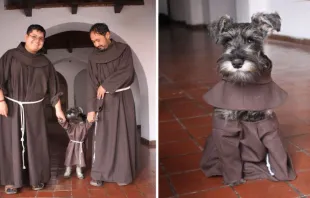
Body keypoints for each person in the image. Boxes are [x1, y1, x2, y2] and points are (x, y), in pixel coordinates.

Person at [0, 24, 66, 194]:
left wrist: (58, 110)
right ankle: (12, 181)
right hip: (12, 108)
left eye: (41, 38)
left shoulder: (45, 63)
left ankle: (36, 178)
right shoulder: (10, 56)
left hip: (36, 110)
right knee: (11, 144)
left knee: (36, 144)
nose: (37, 41)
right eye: (34, 36)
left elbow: (53, 88)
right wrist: (1, 101)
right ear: (26, 36)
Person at [86, 23, 140, 186]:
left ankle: (122, 174)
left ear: (108, 35)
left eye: (98, 39)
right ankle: (100, 174)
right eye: (93, 41)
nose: (96, 44)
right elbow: (90, 82)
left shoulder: (123, 50)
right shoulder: (92, 57)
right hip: (103, 102)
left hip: (122, 98)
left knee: (123, 136)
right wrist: (91, 108)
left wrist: (105, 86)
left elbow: (127, 71)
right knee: (102, 139)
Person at [58, 107, 93, 179]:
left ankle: (78, 170)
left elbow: (89, 122)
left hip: (80, 144)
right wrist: (61, 120)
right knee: (69, 157)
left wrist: (92, 117)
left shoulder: (84, 126)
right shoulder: (70, 126)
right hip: (72, 144)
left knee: (80, 157)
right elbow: (65, 125)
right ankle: (68, 169)